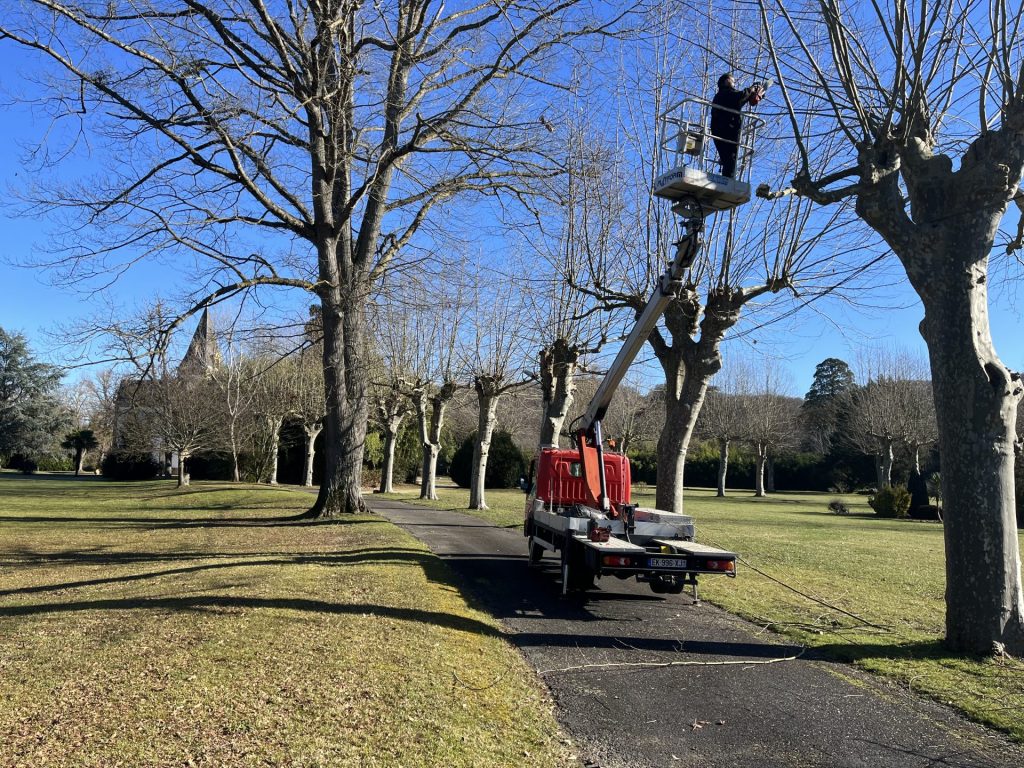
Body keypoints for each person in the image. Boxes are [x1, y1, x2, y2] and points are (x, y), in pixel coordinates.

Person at [710, 73, 764, 178]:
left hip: (722, 130)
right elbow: (739, 97)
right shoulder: (724, 94)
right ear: (726, 81)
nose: (734, 83)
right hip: (727, 130)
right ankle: (728, 181)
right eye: (733, 81)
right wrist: (752, 89)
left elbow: (740, 99)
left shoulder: (722, 96)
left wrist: (752, 95)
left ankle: (727, 178)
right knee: (730, 159)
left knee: (729, 158)